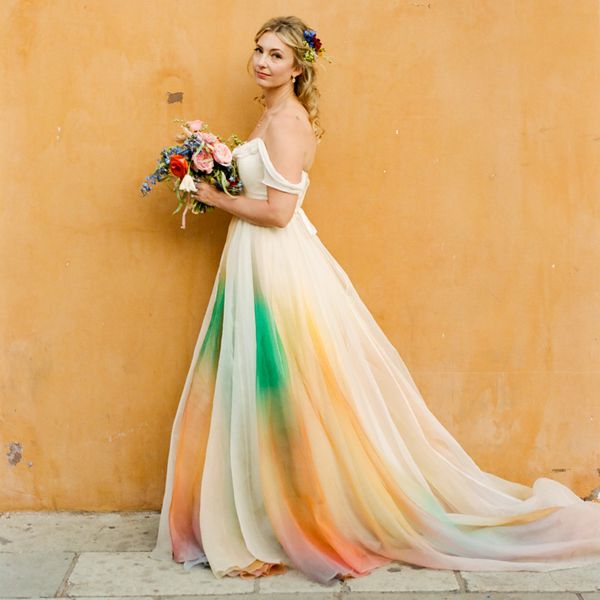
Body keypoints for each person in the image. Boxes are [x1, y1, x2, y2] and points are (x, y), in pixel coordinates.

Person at [149, 15, 600, 585]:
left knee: (286, 385)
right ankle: (262, 505)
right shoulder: (268, 115)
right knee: (255, 381)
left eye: (277, 56)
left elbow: (280, 213)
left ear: (297, 67)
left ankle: (306, 514)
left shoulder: (287, 123)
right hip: (253, 259)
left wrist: (212, 193)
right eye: (259, 50)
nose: (263, 62)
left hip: (276, 262)